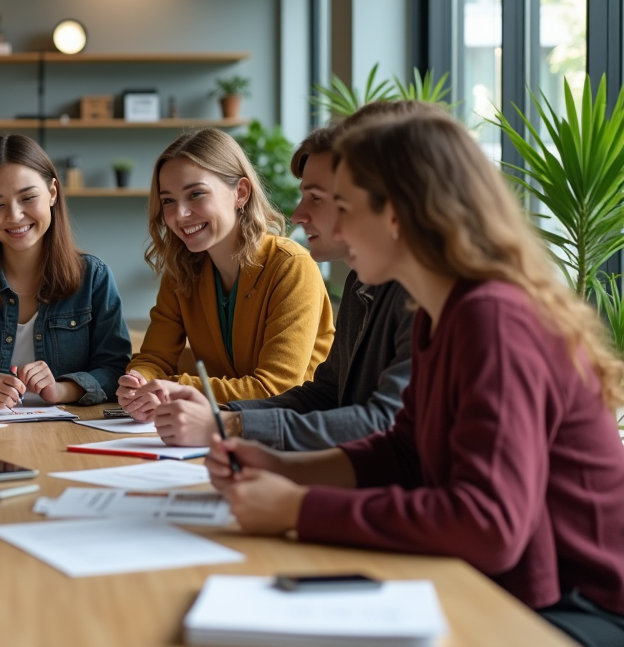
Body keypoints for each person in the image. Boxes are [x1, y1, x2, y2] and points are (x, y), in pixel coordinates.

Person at [205, 111, 624, 647]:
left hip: (573, 610)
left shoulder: (491, 317)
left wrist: (297, 507)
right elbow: (404, 452)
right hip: (499, 584)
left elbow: (487, 524)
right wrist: (286, 469)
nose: (336, 226)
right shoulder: (438, 311)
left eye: (347, 208)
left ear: (398, 215)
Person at [154, 104, 413, 449]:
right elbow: (327, 393)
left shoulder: (436, 297)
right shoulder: (362, 281)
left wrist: (228, 425)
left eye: (318, 198)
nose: (298, 214)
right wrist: (229, 420)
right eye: (167, 200)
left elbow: (384, 423)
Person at [118, 128, 333, 420]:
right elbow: (155, 357)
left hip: (293, 435)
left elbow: (276, 390)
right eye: (168, 200)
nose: (179, 214)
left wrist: (172, 388)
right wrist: (138, 382)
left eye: (196, 194)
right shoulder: (182, 272)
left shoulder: (291, 266)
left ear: (240, 193)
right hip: (218, 429)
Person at [0, 135, 132, 408]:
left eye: (28, 197)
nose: (15, 215)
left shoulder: (93, 277)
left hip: (67, 433)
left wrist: (60, 390)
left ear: (52, 192)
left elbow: (115, 369)